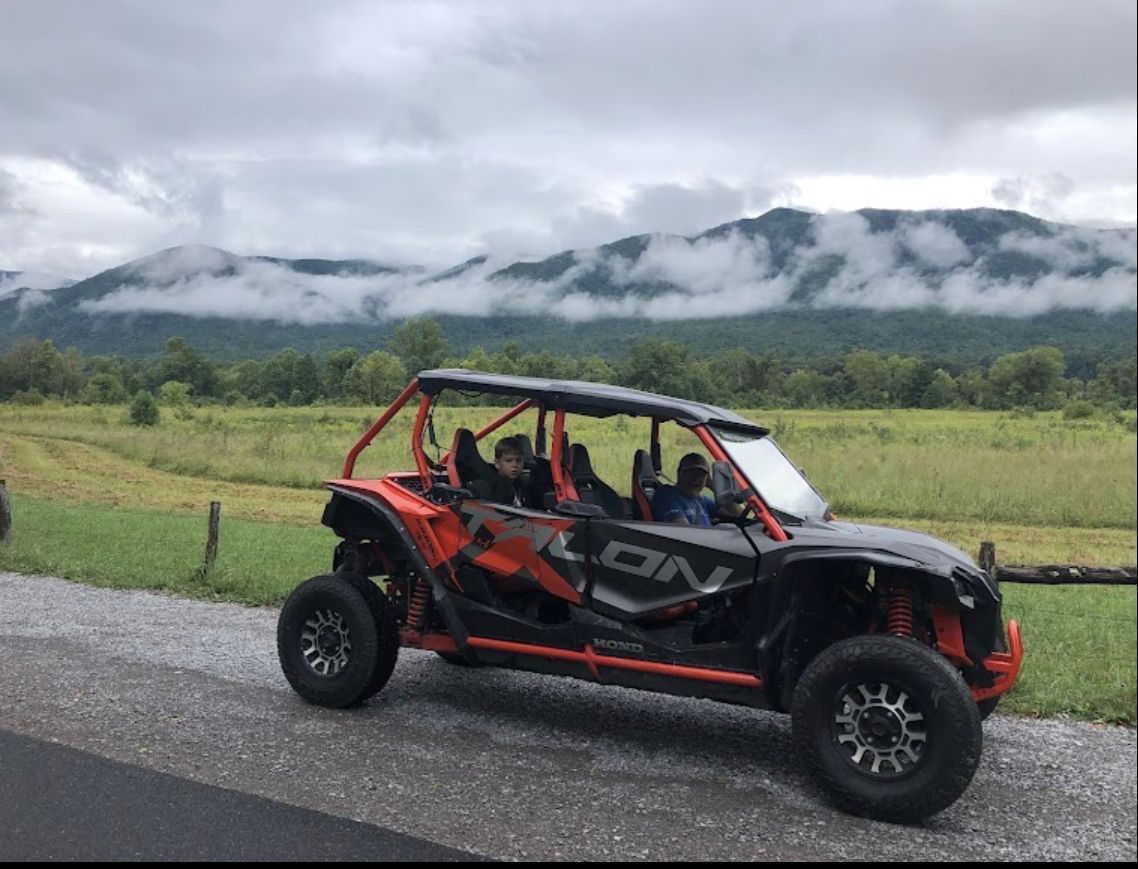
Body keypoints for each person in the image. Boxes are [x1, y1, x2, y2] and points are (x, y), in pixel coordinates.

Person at [651, 452, 741, 526]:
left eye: (702, 475)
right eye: (691, 473)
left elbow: (739, 514)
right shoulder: (666, 494)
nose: (697, 478)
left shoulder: (702, 500)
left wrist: (715, 486)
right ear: (680, 473)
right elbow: (683, 531)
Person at [469, 436, 529, 507]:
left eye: (519, 460)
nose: (515, 465)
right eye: (508, 461)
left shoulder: (519, 484)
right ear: (497, 463)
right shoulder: (489, 488)